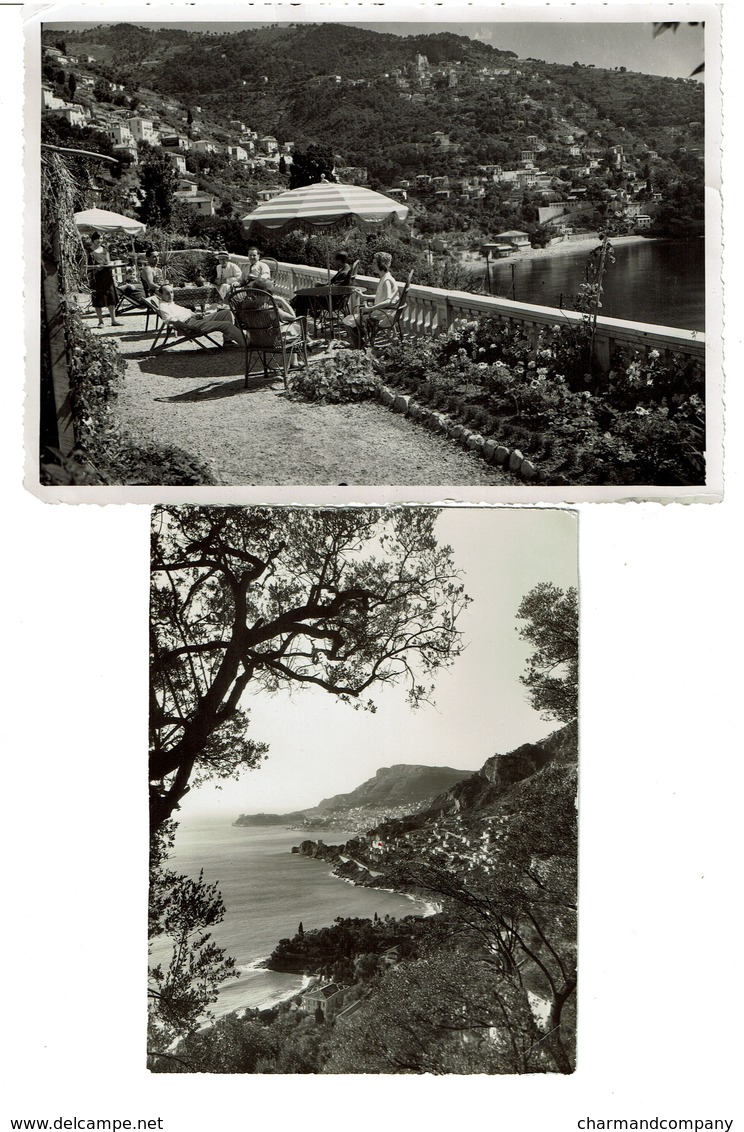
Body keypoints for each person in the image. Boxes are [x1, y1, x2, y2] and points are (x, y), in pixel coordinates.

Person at [154, 285, 246, 348]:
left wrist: (196, 315)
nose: (171, 295)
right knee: (226, 325)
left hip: (195, 319)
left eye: (172, 292)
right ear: (161, 295)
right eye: (167, 293)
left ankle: (228, 341)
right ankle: (248, 344)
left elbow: (186, 312)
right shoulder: (163, 306)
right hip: (190, 325)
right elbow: (170, 320)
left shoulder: (170, 303)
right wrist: (189, 327)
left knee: (226, 313)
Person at [343, 251, 398, 349]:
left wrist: (370, 309)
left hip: (383, 316)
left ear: (381, 264)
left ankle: (360, 345)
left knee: (347, 321)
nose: (372, 265)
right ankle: (362, 340)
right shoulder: (385, 278)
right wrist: (364, 296)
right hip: (383, 313)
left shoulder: (387, 280)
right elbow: (382, 297)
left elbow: (388, 301)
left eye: (374, 263)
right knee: (355, 317)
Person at [291, 251, 353, 318]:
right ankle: (293, 308)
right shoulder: (346, 269)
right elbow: (335, 286)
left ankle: (294, 313)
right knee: (302, 298)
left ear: (339, 261)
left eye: (334, 260)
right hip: (334, 299)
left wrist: (320, 288)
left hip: (331, 302)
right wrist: (321, 285)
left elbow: (334, 288)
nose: (333, 262)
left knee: (302, 297)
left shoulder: (344, 273)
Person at [88, 231, 121, 327]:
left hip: (107, 277)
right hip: (96, 278)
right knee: (98, 299)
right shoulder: (89, 251)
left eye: (101, 238)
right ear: (93, 240)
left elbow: (109, 262)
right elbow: (84, 267)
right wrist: (95, 267)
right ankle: (100, 321)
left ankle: (113, 320)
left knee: (111, 298)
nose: (99, 240)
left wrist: (112, 266)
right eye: (97, 239)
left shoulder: (105, 250)